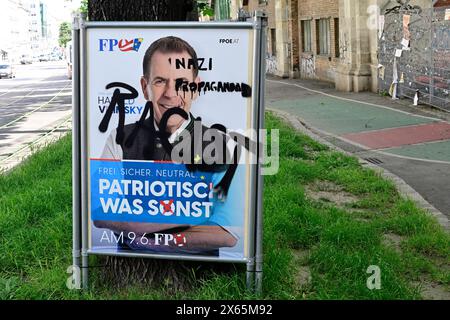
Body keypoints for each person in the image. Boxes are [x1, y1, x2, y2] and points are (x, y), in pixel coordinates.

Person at [93, 36, 244, 256]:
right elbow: (100, 211)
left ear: (196, 87)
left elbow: (227, 233)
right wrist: (197, 214)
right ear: (145, 88)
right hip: (133, 272)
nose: (171, 94)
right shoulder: (120, 137)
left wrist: (153, 241)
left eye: (181, 82)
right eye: (160, 81)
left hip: (201, 279)